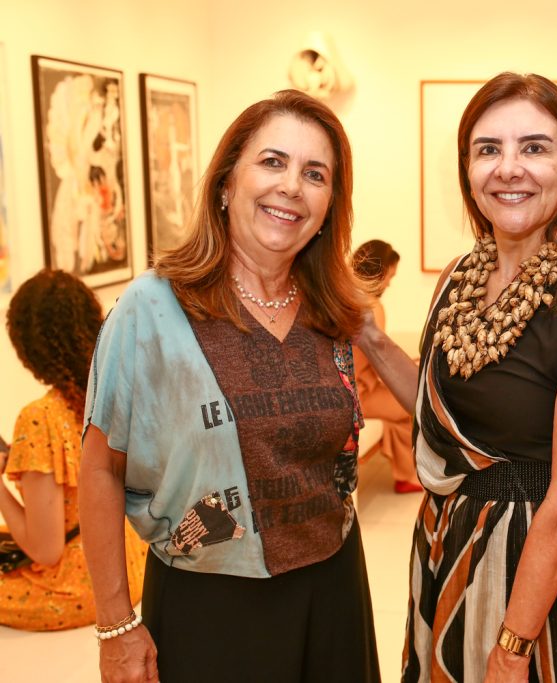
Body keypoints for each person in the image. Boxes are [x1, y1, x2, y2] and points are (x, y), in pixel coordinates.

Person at [79, 89, 380, 683]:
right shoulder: (153, 309)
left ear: (328, 206)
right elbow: (100, 468)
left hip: (335, 585)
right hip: (210, 603)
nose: (291, 186)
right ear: (225, 183)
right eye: (272, 162)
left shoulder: (331, 311)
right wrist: (115, 623)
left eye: (314, 174)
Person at [356, 72, 557, 682]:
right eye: (489, 149)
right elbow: (437, 413)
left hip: (539, 580)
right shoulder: (458, 278)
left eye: (534, 147)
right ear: (468, 171)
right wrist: (371, 338)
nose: (509, 168)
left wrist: (512, 647)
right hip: (449, 551)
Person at [0, 269, 146, 630]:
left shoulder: (40, 418)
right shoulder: (114, 392)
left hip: (79, 587)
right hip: (131, 563)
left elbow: (46, 550)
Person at [351, 239, 422, 493]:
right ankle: (408, 476)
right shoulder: (371, 307)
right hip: (359, 394)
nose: (389, 284)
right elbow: (380, 361)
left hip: (353, 388)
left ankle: (406, 473)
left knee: (401, 406)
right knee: (415, 403)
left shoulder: (344, 298)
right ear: (379, 273)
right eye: (390, 277)